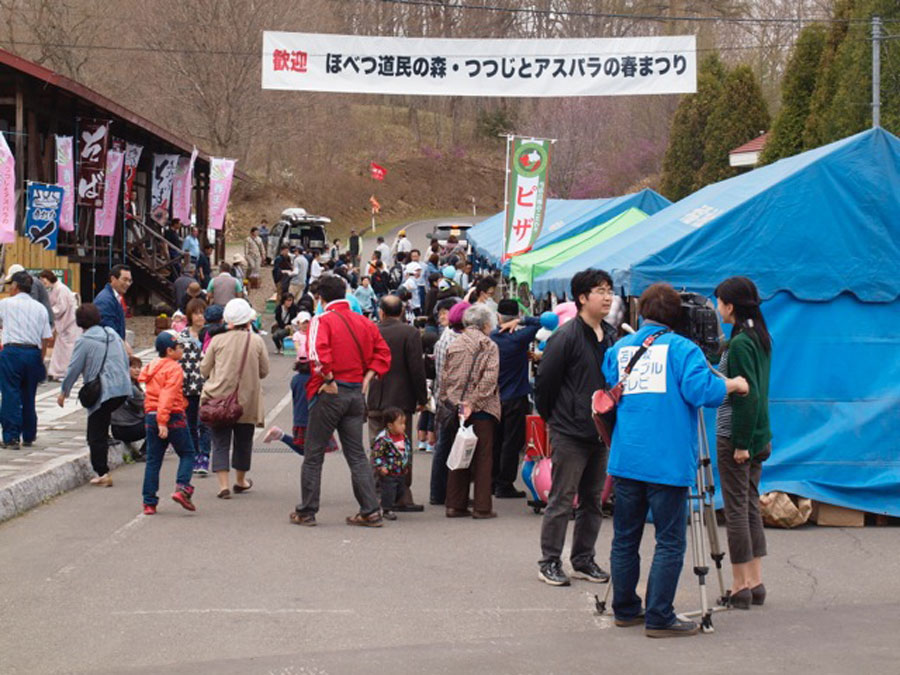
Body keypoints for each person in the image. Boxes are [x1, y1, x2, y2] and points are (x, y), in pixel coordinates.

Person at [602, 282, 748, 637]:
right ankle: (659, 616)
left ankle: (625, 608)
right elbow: (703, 393)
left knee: (625, 537)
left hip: (626, 456)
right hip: (666, 460)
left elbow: (610, 385)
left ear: (643, 311)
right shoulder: (684, 349)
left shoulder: (620, 348)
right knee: (669, 540)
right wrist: (733, 385)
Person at [533, 269, 617, 587]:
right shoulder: (565, 337)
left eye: (609, 290)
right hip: (569, 431)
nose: (607, 296)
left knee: (593, 499)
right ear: (582, 298)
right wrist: (556, 418)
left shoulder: (610, 335)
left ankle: (583, 559)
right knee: (562, 499)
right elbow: (545, 384)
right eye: (600, 291)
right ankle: (549, 561)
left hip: (600, 431)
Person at [290, 275, 391, 527]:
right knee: (356, 453)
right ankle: (370, 509)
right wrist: (368, 376)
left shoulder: (321, 320)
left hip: (330, 391)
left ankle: (307, 510)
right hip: (356, 392)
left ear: (321, 298)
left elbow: (316, 354)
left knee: (313, 454)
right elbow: (383, 353)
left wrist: (328, 377)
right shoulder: (364, 321)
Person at [714, 276, 773, 609]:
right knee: (750, 506)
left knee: (736, 509)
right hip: (760, 434)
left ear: (730, 306)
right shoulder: (759, 337)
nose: (716, 306)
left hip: (738, 435)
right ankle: (755, 580)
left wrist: (740, 443)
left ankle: (739, 586)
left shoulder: (740, 344)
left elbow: (746, 395)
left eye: (719, 301)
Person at [200, 298, 270, 499]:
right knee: (243, 441)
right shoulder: (256, 341)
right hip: (246, 401)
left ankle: (223, 485)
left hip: (219, 399)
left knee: (220, 441)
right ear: (248, 320)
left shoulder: (217, 340)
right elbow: (264, 371)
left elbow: (204, 368)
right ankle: (240, 481)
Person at [366, 295, 428, 512]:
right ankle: (401, 495)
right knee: (401, 447)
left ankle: (376, 495)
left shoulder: (372, 331)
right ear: (402, 312)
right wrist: (423, 398)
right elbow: (416, 369)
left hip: (376, 397)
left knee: (377, 447)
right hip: (401, 399)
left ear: (381, 312)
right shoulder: (409, 333)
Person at [58, 303, 131, 485]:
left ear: (80, 322)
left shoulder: (84, 341)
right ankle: (103, 467)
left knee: (95, 433)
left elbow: (74, 367)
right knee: (102, 424)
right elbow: (124, 357)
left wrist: (63, 392)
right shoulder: (111, 333)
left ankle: (102, 473)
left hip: (103, 390)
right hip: (121, 388)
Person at [441, 304, 500, 519]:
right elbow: (489, 379)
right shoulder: (488, 345)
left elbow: (445, 377)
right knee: (483, 458)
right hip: (482, 408)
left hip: (457, 408)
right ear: (485, 324)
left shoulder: (455, 343)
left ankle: (455, 505)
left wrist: (453, 401)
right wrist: (473, 402)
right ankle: (482, 506)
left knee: (460, 453)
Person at [139, 331, 197, 515]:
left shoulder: (151, 366)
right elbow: (168, 394)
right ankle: (183, 488)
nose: (181, 350)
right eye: (178, 347)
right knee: (188, 453)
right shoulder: (174, 368)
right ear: (169, 351)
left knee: (153, 460)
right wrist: (163, 420)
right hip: (171, 415)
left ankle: (149, 502)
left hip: (150, 414)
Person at [490, 299, 542, 498]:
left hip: (494, 397)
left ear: (498, 316)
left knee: (495, 441)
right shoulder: (519, 337)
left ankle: (492, 481)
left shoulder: (492, 337)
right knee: (512, 443)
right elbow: (540, 322)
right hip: (516, 396)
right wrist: (521, 320)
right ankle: (505, 484)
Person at [0, 271, 52, 449]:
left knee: (10, 394)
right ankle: (29, 435)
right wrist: (41, 357)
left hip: (12, 351)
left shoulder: (5, 304)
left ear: (15, 286)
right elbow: (46, 337)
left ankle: (11, 436)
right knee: (29, 395)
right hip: (33, 352)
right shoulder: (40, 308)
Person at [430, 301, 468, 504]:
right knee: (450, 446)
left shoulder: (445, 338)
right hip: (453, 399)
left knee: (444, 445)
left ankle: (439, 492)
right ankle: (445, 493)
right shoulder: (458, 342)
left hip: (443, 397)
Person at [180, 299, 212, 476]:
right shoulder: (182, 336)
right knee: (190, 423)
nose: (200, 316)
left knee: (205, 423)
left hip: (207, 386)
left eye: (202, 312)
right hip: (188, 386)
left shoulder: (211, 335)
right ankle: (193, 454)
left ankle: (205, 455)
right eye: (196, 313)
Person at [371, 407, 412, 521]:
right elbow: (377, 454)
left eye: (404, 423)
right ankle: (386, 508)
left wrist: (407, 464)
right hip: (389, 470)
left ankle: (386, 503)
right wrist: (381, 466)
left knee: (400, 490)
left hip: (401, 469)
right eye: (400, 424)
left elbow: (406, 451)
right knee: (389, 490)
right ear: (390, 425)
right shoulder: (383, 439)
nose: (403, 426)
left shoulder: (404, 437)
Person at [40, 270, 80, 382]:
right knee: (61, 349)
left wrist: (48, 311)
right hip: (64, 323)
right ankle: (56, 372)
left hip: (69, 322)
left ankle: (63, 373)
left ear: (49, 278)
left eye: (44, 280)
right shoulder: (55, 289)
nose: (44, 283)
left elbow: (61, 307)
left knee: (67, 350)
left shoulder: (61, 289)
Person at [111, 356, 147, 462]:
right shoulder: (130, 387)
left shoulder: (120, 383)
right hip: (127, 428)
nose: (137, 370)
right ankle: (145, 452)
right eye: (133, 367)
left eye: (139, 367)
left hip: (116, 429)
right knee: (159, 421)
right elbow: (145, 406)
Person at [93, 264, 132, 342]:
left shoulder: (115, 297)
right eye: (124, 279)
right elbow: (109, 331)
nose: (128, 284)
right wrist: (122, 344)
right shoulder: (104, 300)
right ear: (113, 279)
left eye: (130, 280)